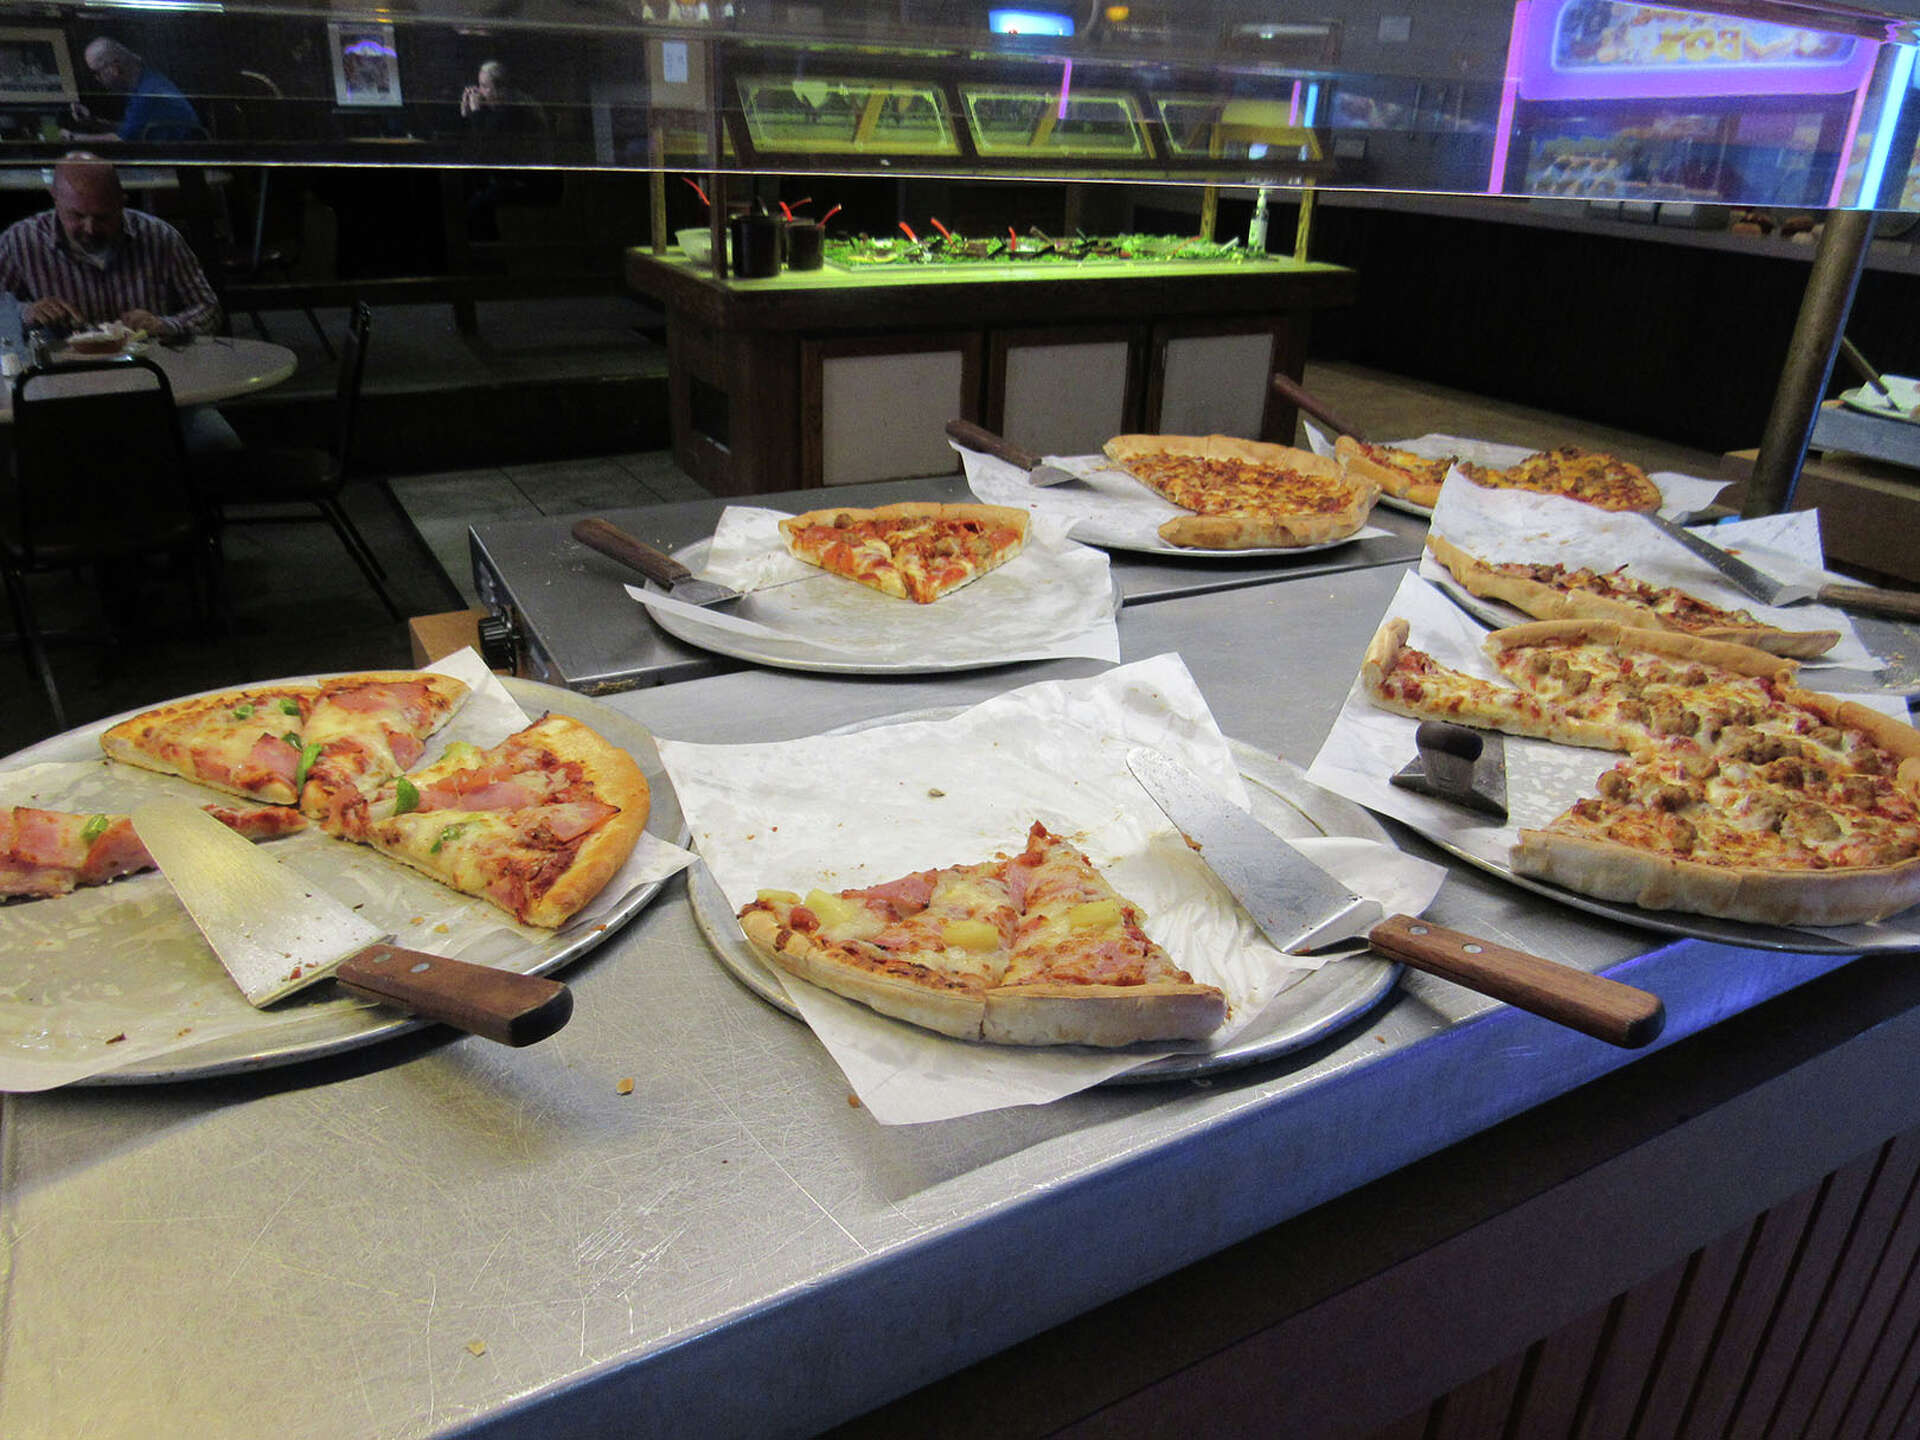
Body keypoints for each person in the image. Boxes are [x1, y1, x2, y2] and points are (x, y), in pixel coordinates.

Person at [0, 154, 233, 449]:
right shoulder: (19, 242)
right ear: (54, 199)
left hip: (158, 388)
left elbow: (209, 309)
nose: (89, 228)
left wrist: (165, 324)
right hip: (57, 396)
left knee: (218, 444)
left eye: (102, 216)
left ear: (122, 201)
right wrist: (25, 312)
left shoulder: (160, 237)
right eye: (76, 216)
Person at [458, 61, 554, 241]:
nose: (480, 93)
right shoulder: (500, 109)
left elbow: (487, 151)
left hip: (530, 182)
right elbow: (474, 151)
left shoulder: (515, 109)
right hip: (512, 177)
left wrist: (477, 114)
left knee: (476, 205)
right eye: (479, 86)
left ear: (501, 89)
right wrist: (467, 116)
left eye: (485, 87)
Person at [65, 38, 203, 143]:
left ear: (114, 69)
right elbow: (130, 129)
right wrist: (93, 122)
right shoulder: (145, 82)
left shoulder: (147, 94)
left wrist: (72, 137)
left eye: (96, 73)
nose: (96, 79)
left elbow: (121, 140)